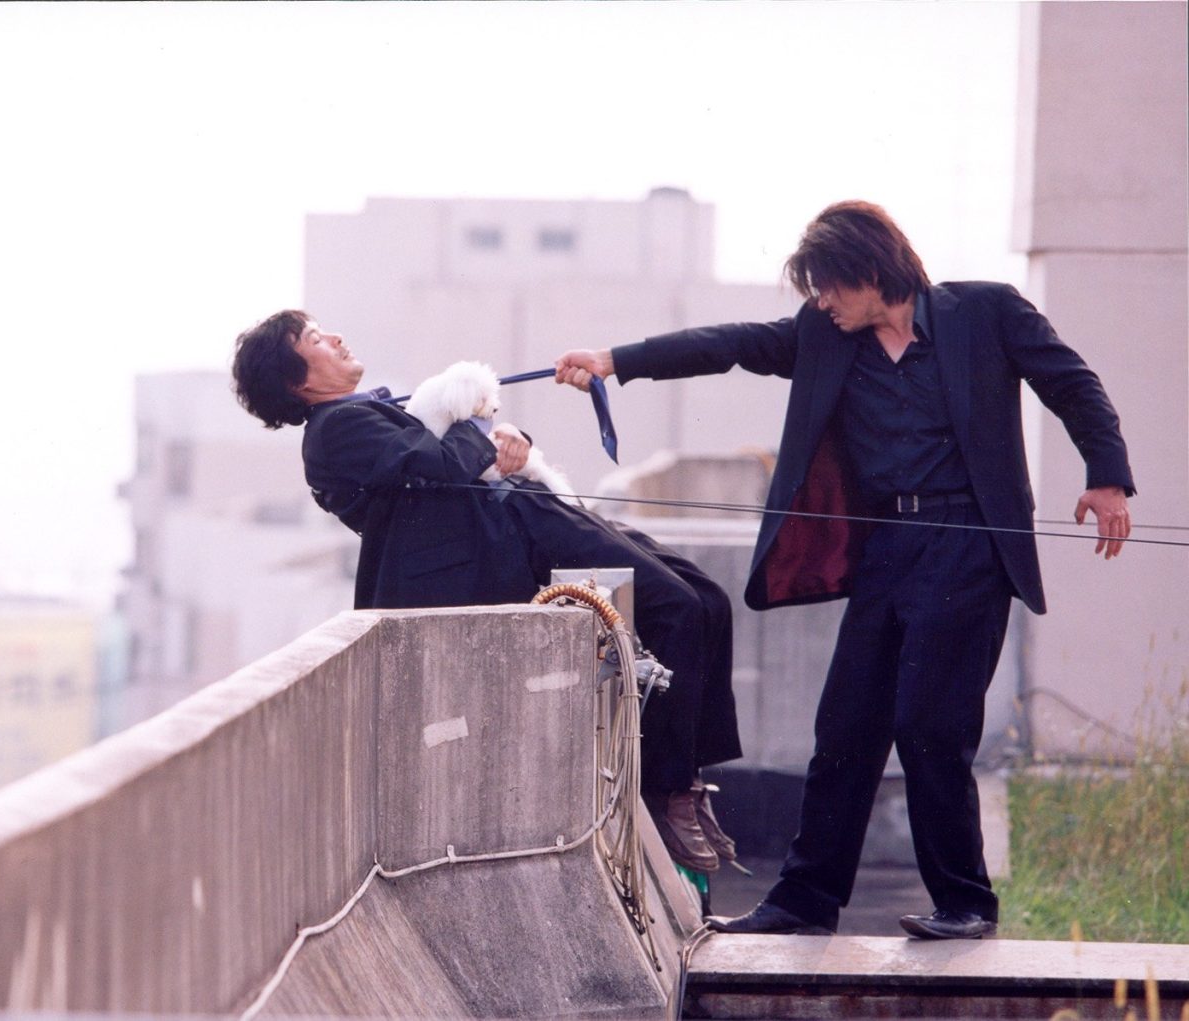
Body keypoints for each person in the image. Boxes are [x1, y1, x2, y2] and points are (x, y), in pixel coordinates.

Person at [555, 200, 1134, 940]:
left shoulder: (988, 313)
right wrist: (615, 361)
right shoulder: (825, 335)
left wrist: (1106, 477)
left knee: (930, 726)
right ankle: (805, 901)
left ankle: (965, 904)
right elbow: (730, 344)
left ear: (870, 270)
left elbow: (1073, 384)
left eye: (828, 285)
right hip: (885, 548)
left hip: (968, 546)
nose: (821, 302)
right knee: (844, 728)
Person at [231, 309, 743, 874]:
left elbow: (458, 450)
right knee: (676, 606)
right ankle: (668, 791)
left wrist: (510, 436)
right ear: (297, 381)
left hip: (528, 511)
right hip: (513, 533)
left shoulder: (366, 413)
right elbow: (439, 462)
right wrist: (486, 428)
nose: (335, 337)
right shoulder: (335, 431)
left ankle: (689, 778)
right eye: (315, 339)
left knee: (707, 598)